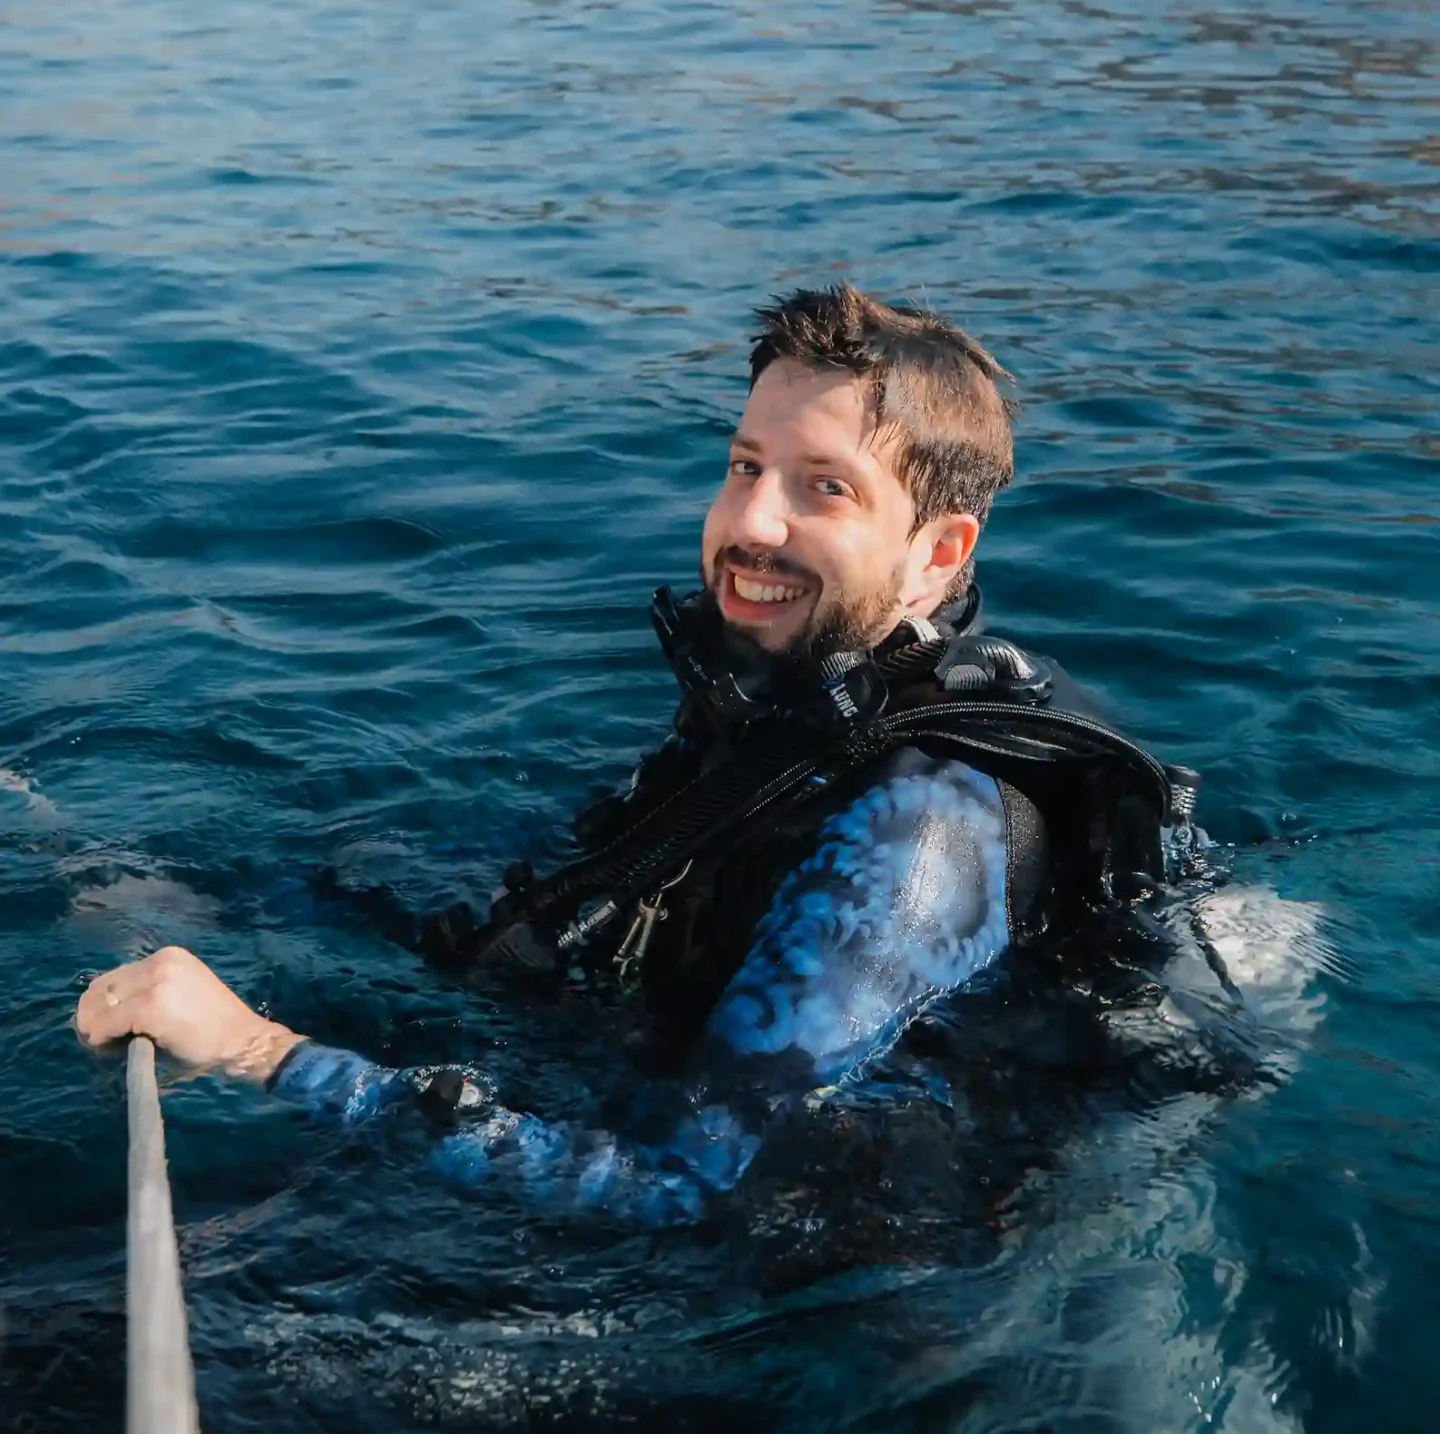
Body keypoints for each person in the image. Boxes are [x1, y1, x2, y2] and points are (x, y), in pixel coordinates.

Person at [78, 284, 1196, 1225]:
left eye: (825, 488)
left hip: (789, 1317)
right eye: (745, 464)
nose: (752, 524)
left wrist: (260, 1051)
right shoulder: (801, 711)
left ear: (938, 554)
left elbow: (686, 1189)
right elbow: (604, 869)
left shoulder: (918, 829)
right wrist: (235, 903)